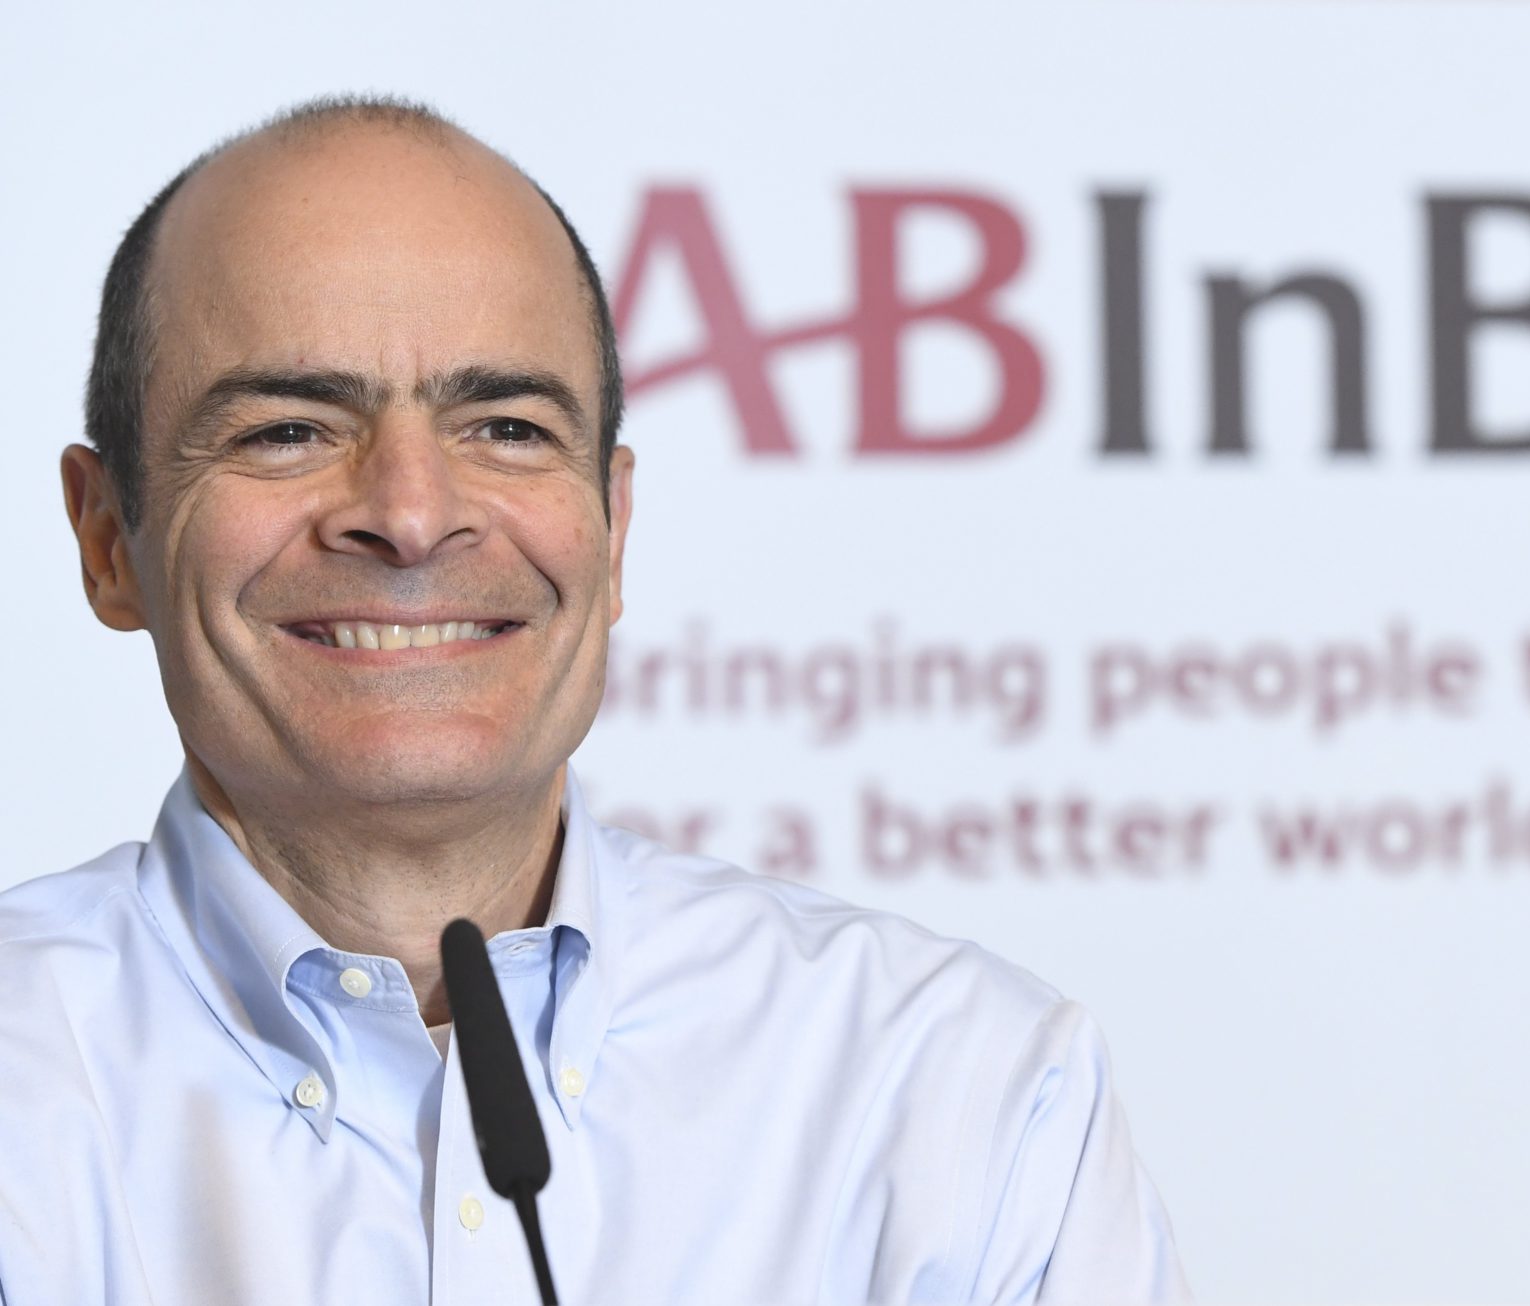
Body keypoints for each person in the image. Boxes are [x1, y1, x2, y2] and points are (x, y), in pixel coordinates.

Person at [0, 96, 1188, 1305]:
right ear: (107, 539)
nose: (410, 514)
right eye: (290, 429)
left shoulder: (960, 1099)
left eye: (506, 427)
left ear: (612, 530)